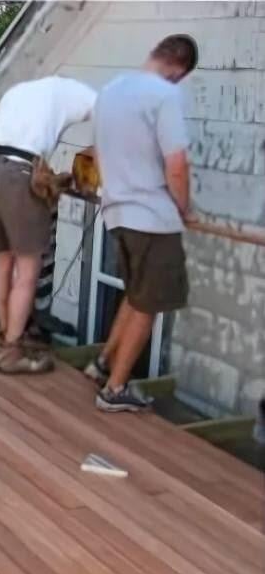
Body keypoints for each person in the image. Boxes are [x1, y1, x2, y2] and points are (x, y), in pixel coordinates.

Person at [87, 34, 198, 412]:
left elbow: (98, 154)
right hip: (153, 217)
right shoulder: (165, 95)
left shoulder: (111, 91)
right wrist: (184, 209)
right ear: (178, 69)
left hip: (117, 212)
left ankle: (102, 364)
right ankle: (115, 390)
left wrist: (114, 191)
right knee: (149, 304)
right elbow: (177, 166)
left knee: (134, 296)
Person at [0, 76, 97, 373]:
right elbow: (109, 125)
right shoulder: (83, 94)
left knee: (2, 263)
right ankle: (11, 353)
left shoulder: (19, 89)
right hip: (19, 173)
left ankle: (6, 338)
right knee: (28, 273)